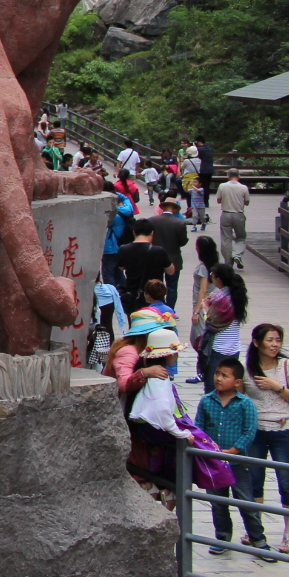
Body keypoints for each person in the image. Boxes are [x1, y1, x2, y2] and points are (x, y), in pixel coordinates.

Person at [196, 358, 261, 553]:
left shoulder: (245, 403)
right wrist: (207, 448)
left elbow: (250, 431)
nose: (218, 378)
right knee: (218, 502)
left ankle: (258, 538)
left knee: (245, 501)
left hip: (238, 461)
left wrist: (235, 450)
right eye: (217, 374)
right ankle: (222, 538)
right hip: (214, 461)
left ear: (238, 382)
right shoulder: (207, 400)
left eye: (225, 375)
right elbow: (199, 427)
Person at [113, 320, 183, 497]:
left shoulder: (148, 363)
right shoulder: (131, 354)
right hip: (144, 427)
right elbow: (124, 384)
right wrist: (181, 432)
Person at [246, 324, 289, 553]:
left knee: (287, 481)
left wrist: (278, 387)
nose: (275, 345)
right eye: (270, 340)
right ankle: (255, 528)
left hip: (283, 430)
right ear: (257, 342)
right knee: (255, 479)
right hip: (255, 432)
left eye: (278, 340)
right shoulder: (247, 368)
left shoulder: (286, 365)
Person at [185, 235, 222, 384]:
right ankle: (208, 369)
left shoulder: (202, 268)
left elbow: (202, 290)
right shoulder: (215, 266)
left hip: (202, 307)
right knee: (205, 340)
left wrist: (196, 311)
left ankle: (203, 371)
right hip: (212, 306)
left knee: (198, 339)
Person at [117, 220, 173, 315]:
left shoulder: (123, 249)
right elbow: (171, 271)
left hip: (133, 294)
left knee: (135, 323)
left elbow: (121, 267)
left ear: (134, 232)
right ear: (152, 233)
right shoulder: (159, 251)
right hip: (154, 294)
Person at [205, 263, 249, 368]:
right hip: (234, 346)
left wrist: (207, 306)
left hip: (219, 345)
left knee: (213, 382)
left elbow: (211, 321)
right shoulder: (237, 294)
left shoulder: (219, 299)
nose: (211, 277)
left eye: (212, 275)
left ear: (219, 279)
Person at [153, 199, 190, 309]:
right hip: (173, 258)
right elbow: (183, 242)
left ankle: (158, 307)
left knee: (156, 285)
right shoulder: (180, 223)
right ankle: (170, 310)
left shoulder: (152, 221)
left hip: (156, 258)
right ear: (174, 209)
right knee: (172, 287)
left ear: (163, 208)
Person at [101, 188, 137, 293]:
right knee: (118, 272)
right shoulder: (128, 210)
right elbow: (126, 199)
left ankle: (111, 295)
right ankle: (124, 292)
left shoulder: (114, 216)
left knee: (108, 273)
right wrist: (117, 194)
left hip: (111, 247)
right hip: (121, 246)